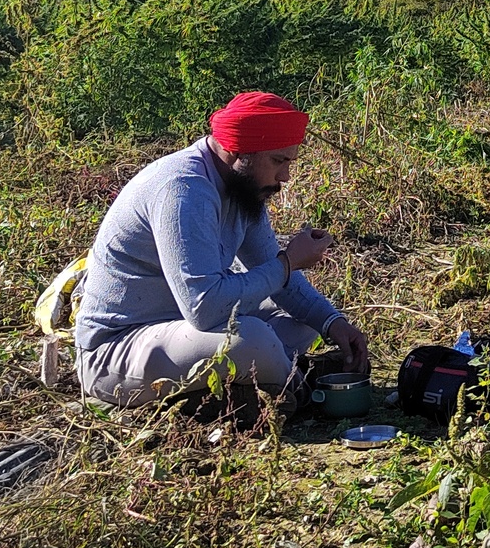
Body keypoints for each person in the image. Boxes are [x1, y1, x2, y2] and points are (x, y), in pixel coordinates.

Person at [72, 90, 372, 411]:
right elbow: (206, 309)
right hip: (116, 350)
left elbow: (277, 277)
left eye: (288, 162)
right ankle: (295, 386)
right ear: (238, 150)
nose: (285, 176)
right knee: (252, 339)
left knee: (303, 321)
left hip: (184, 331)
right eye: (278, 161)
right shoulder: (184, 190)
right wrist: (288, 263)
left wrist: (334, 323)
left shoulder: (241, 186)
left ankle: (260, 380)